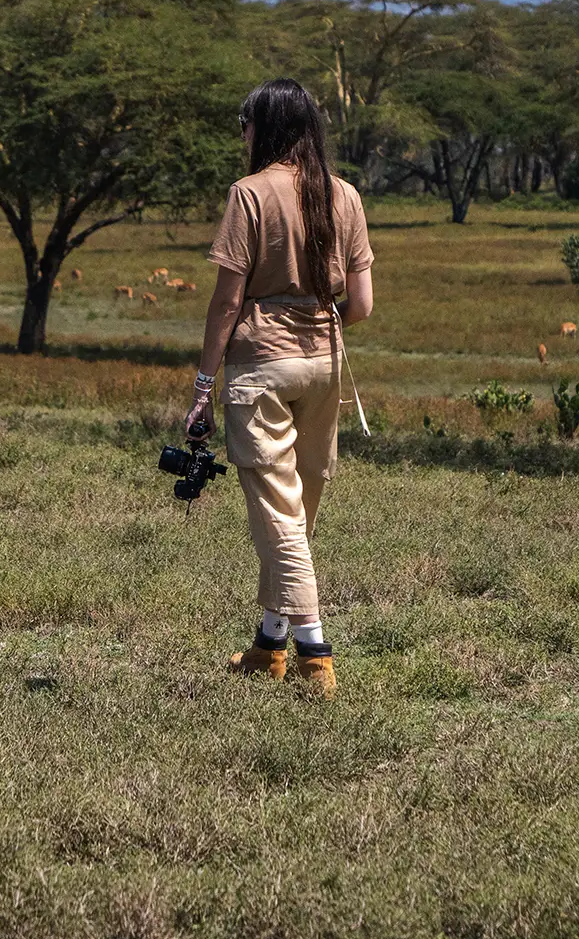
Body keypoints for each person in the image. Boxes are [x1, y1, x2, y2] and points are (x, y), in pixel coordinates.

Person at [186, 78, 374, 697]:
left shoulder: (248, 194)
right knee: (297, 511)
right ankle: (269, 646)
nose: (241, 135)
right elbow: (363, 304)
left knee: (280, 518)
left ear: (263, 127)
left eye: (245, 124)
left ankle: (315, 655)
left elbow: (225, 302)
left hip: (260, 364)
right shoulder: (343, 195)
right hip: (325, 363)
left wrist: (202, 385)